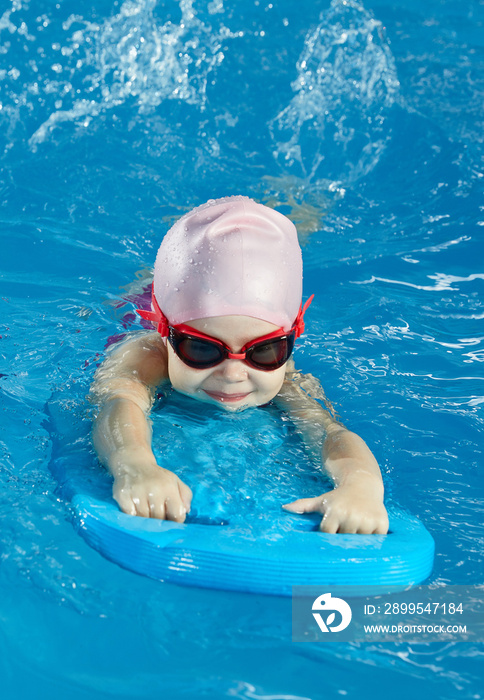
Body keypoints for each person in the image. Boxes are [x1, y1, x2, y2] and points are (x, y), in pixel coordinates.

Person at [90, 196, 389, 534]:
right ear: (166, 334)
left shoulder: (286, 374)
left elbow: (329, 433)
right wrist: (135, 465)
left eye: (264, 352)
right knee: (149, 279)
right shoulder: (146, 354)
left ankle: (300, 208)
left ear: (292, 338)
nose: (233, 374)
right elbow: (120, 401)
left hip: (199, 294)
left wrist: (361, 488)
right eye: (202, 349)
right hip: (154, 299)